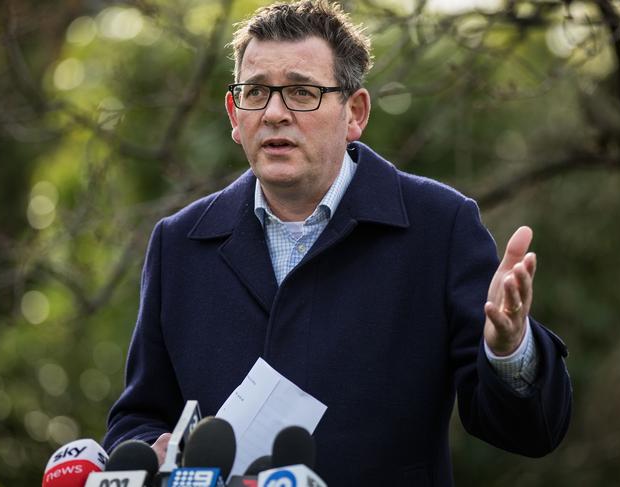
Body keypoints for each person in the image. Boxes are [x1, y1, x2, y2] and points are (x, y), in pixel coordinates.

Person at [103, 1, 572, 485]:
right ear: (233, 112)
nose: (275, 113)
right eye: (256, 92)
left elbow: (529, 433)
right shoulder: (179, 244)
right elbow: (138, 416)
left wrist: (509, 350)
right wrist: (148, 451)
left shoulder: (439, 226)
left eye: (302, 92)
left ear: (355, 112)